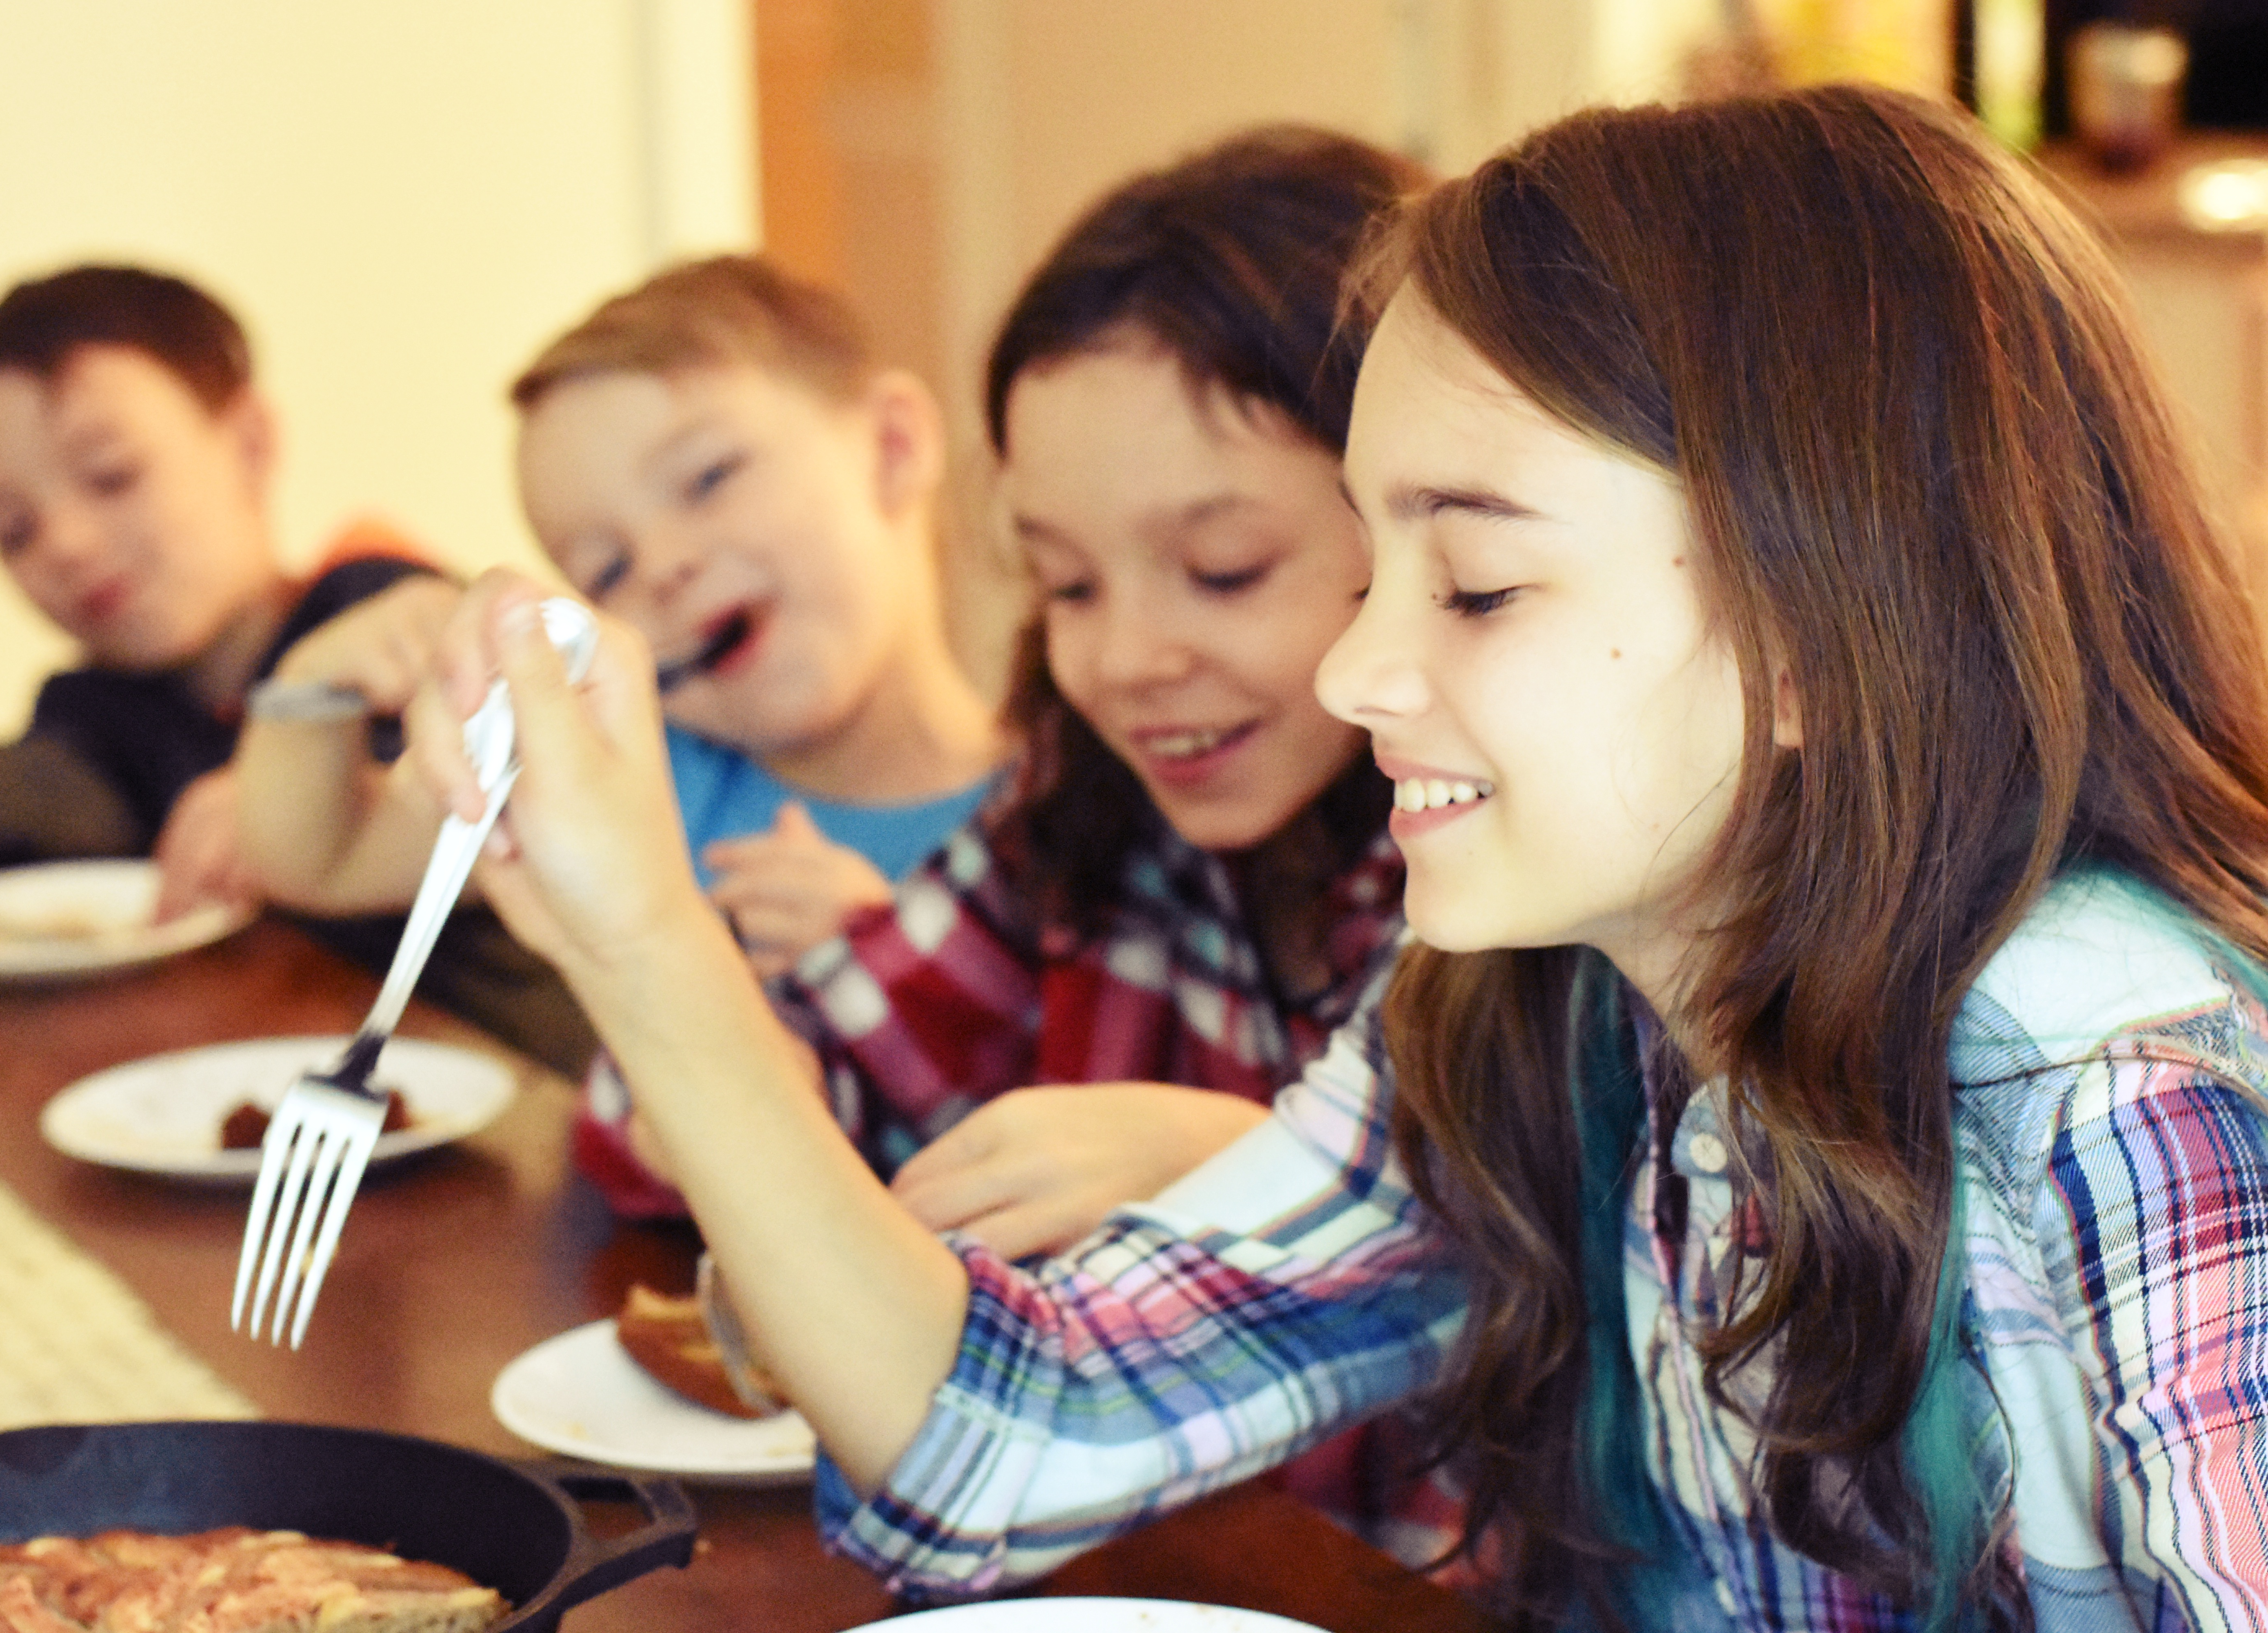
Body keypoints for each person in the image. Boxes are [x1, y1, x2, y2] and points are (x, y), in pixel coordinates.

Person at [407, 81, 2268, 1627]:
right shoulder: (1524, 1004)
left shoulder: (2112, 1099)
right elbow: (1005, 1433)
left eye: (1471, 580)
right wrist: (633, 929)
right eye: (1371, 569)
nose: (1353, 662)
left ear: (1813, 628)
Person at [577, 128, 1424, 1255]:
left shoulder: (1507, 894)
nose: (1124, 661)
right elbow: (718, 1100)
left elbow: (1557, 1296)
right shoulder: (1084, 815)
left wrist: (1255, 1166)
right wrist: (735, 1055)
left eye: (1225, 571)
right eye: (1067, 584)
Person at [0, 264, 593, 1076]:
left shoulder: (380, 611)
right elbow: (48, 815)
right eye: (13, 529)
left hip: (534, 1086)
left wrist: (299, 789)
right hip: (297, 1094)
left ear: (250, 443)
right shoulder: (97, 710)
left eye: (112, 475)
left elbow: (501, 762)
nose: (68, 543)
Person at [235, 256, 1002, 992]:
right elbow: (325, 860)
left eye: (710, 478)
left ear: (893, 448)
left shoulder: (1069, 813)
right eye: (607, 571)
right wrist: (317, 683)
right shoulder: (625, 773)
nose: (665, 566)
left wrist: (897, 970)